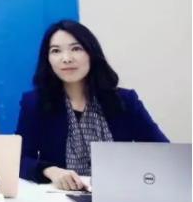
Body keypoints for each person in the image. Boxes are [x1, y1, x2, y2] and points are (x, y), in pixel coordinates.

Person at [16, 20, 168, 190]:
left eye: (76, 49)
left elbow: (163, 152)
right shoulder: (35, 103)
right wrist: (49, 170)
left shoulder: (125, 100)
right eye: (56, 51)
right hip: (60, 197)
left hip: (120, 192)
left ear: (91, 53)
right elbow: (18, 160)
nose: (66, 59)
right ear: (48, 59)